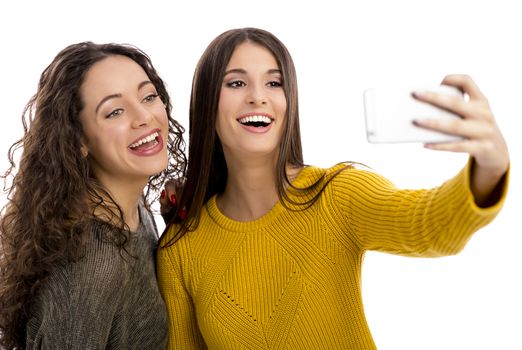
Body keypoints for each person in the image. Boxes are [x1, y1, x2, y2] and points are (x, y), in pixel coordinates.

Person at [157, 27, 509, 349]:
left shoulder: (336, 195)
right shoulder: (182, 249)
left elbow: (428, 225)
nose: (257, 97)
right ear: (206, 103)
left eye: (274, 83)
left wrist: (490, 168)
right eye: (235, 83)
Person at [0, 42, 186, 349]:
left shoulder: (131, 208)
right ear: (79, 140)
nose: (144, 117)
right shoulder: (91, 265)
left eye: (148, 96)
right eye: (115, 111)